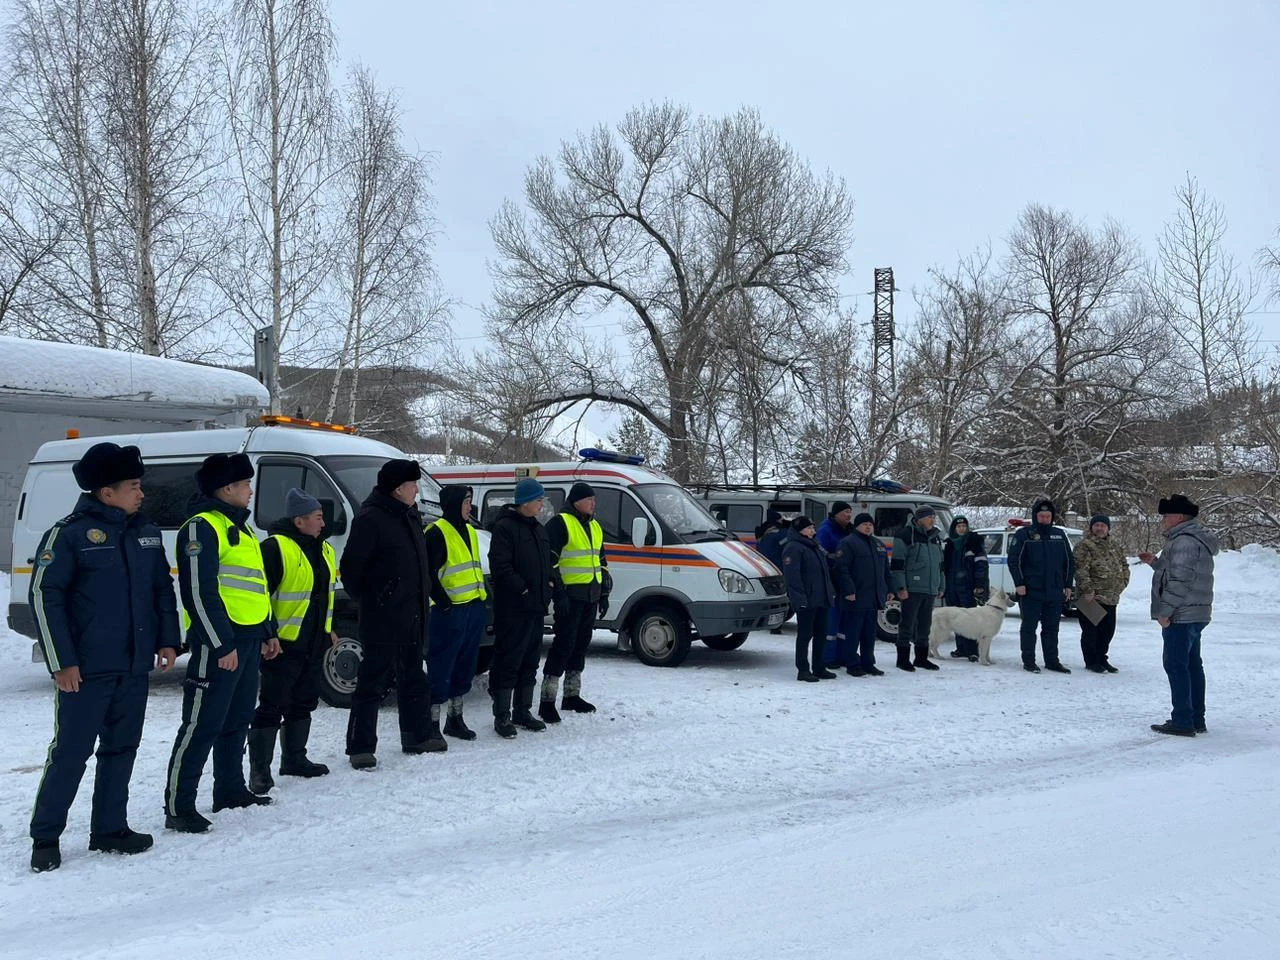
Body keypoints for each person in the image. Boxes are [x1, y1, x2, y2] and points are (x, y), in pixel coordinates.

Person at [27, 443, 179, 872]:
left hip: (133, 665)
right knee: (72, 752)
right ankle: (46, 836)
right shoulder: (69, 533)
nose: (142, 493)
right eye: (134, 486)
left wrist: (168, 639)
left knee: (122, 748)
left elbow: (160, 590)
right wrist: (62, 661)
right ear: (106, 492)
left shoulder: (144, 531)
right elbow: (45, 596)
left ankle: (109, 828)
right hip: (86, 669)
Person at [164, 453, 278, 833]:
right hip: (220, 645)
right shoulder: (201, 527)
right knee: (202, 724)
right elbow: (198, 592)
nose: (251, 491)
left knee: (237, 720)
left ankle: (230, 790)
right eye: (245, 485)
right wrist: (220, 644)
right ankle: (180, 806)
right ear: (227, 488)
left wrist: (268, 631)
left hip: (247, 639)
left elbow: (256, 584)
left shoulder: (242, 528)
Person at [340, 459, 439, 769]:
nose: (417, 491)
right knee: (372, 683)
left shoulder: (409, 516)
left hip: (413, 614)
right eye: (413, 485)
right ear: (398, 489)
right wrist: (378, 599)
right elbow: (351, 570)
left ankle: (416, 735)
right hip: (383, 617)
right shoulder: (370, 518)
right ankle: (360, 747)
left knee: (413, 678)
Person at [247, 488, 338, 795]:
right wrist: (267, 633)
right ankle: (260, 770)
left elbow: (324, 596)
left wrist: (329, 630)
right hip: (283, 644)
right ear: (299, 521)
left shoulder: (324, 550)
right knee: (272, 704)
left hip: (313, 642)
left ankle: (295, 759)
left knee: (304, 701)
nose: (323, 524)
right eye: (318, 517)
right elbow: (259, 596)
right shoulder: (275, 547)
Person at [1139, 495, 1218, 737]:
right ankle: (1196, 718)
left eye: (1166, 516)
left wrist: (1165, 612)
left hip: (1181, 614)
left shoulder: (1184, 541)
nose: (1163, 521)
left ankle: (1183, 720)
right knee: (1192, 665)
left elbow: (1180, 580)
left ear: (1179, 517)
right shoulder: (1193, 539)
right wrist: (1156, 562)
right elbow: (1174, 571)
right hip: (1195, 612)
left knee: (1176, 665)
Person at [539, 481, 612, 723]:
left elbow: (600, 560)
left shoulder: (595, 526)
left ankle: (571, 695)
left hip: (590, 596)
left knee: (581, 645)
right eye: (589, 499)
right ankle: (547, 700)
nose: (593, 503)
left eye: (594, 500)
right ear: (577, 501)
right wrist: (559, 594)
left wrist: (603, 593)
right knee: (563, 645)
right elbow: (550, 562)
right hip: (571, 596)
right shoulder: (561, 523)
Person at [488, 478, 555, 738]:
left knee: (530, 661)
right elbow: (501, 567)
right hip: (513, 609)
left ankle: (523, 710)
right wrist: (523, 590)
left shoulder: (538, 529)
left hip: (536, 608)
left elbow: (547, 563)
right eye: (538, 499)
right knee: (508, 660)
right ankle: (502, 715)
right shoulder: (505, 528)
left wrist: (550, 585)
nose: (541, 504)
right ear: (525, 501)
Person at [424, 484, 488, 741]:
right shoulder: (437, 533)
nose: (469, 507)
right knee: (441, 665)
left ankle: (455, 718)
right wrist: (444, 603)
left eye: (470, 501)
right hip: (448, 612)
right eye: (465, 502)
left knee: (465, 665)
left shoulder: (470, 531)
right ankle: (431, 723)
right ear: (452, 504)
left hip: (473, 607)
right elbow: (428, 575)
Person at [1007, 498, 1075, 674]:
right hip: (1031, 591)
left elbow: (1069, 562)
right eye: (1041, 516)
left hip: (1054, 590)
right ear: (1035, 516)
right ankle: (1029, 661)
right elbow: (1014, 561)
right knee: (1029, 627)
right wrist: (1019, 583)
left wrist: (1068, 585)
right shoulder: (1024, 535)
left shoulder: (1059, 535)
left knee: (1052, 629)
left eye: (1047, 516)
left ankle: (1052, 661)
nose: (1044, 519)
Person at [831, 513, 891, 677]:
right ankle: (852, 663)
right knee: (853, 633)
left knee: (869, 634)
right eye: (864, 524)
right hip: (855, 597)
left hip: (873, 598)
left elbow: (885, 570)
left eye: (870, 524)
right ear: (857, 526)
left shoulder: (878, 544)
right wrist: (849, 591)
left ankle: (868, 663)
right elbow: (841, 570)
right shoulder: (847, 543)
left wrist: (889, 589)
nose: (868, 526)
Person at [889, 506, 945, 671]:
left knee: (925, 626)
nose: (933, 520)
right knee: (907, 624)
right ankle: (903, 659)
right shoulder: (905, 535)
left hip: (930, 588)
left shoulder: (935, 537)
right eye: (929, 517)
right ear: (919, 518)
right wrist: (901, 587)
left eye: (934, 518)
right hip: (911, 588)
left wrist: (941, 585)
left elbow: (940, 565)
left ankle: (921, 658)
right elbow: (897, 564)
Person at [1073, 514, 1130, 673]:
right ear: (1091, 528)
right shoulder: (1085, 546)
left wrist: (1122, 583)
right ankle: (1091, 661)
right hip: (1091, 597)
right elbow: (1080, 570)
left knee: (1107, 631)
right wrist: (1088, 590)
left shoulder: (1115, 545)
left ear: (1108, 528)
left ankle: (1102, 658)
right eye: (1096, 525)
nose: (1099, 528)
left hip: (1111, 597)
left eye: (1102, 526)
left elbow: (1124, 566)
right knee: (1091, 632)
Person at [782, 516, 836, 682]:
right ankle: (803, 670)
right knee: (805, 636)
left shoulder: (815, 546)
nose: (813, 530)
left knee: (821, 634)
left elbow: (823, 573)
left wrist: (829, 593)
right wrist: (800, 600)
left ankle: (819, 667)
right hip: (807, 601)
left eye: (813, 527)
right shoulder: (793, 548)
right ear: (800, 530)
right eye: (810, 528)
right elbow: (793, 578)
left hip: (821, 599)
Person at [942, 515, 990, 661]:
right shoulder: (949, 544)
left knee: (970, 619)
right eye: (958, 526)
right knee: (956, 619)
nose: (961, 529)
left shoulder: (974, 542)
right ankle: (961, 648)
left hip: (968, 587)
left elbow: (981, 565)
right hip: (951, 587)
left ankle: (973, 650)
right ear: (954, 529)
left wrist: (980, 585)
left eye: (964, 526)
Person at [816, 501, 854, 662]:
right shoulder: (826, 530)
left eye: (850, 512)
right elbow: (821, 554)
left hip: (847, 581)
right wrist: (838, 559)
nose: (849, 515)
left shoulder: (849, 529)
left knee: (845, 623)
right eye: (846, 511)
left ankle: (843, 654)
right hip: (832, 581)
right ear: (836, 513)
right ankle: (828, 657)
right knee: (832, 621)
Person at [756, 510, 788, 633]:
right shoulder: (781, 533)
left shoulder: (763, 533)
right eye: (781, 519)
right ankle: (776, 626)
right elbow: (788, 545)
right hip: (778, 569)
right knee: (780, 598)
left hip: (764, 568)